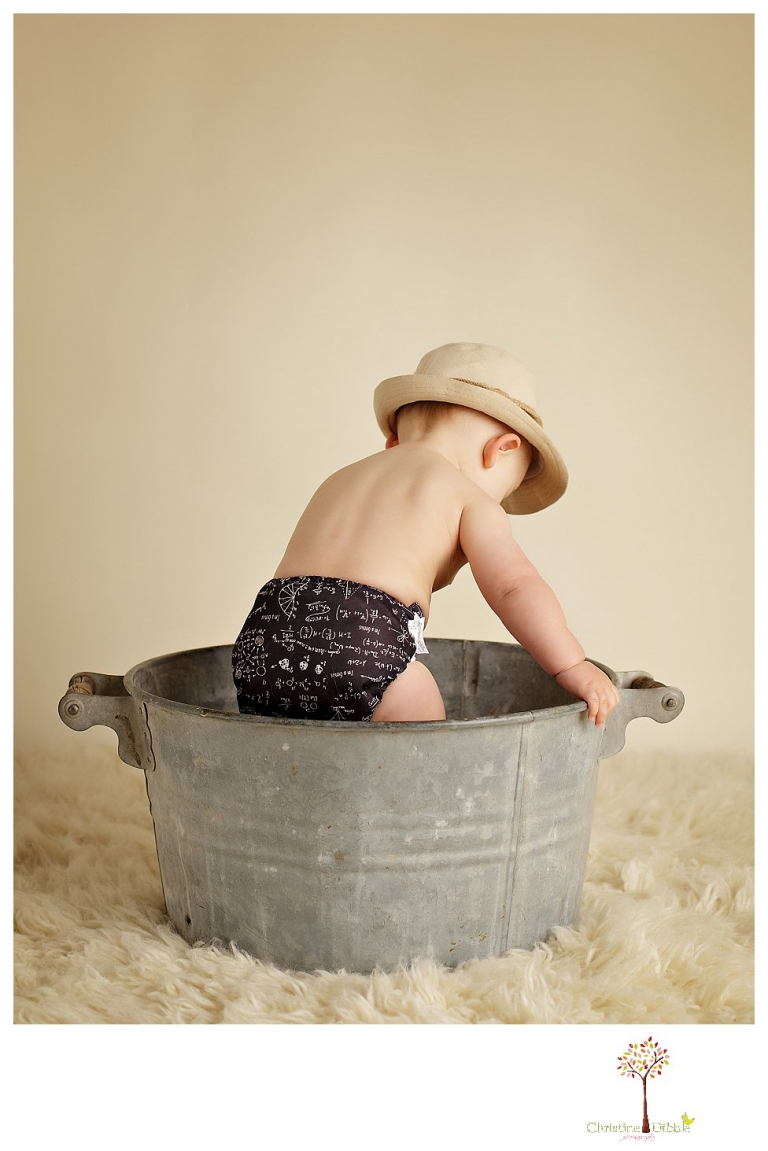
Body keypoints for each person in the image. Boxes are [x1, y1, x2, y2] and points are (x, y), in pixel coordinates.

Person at [232, 342, 620, 726]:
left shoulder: (338, 479)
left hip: (264, 644)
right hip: (361, 644)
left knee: (283, 746)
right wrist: (571, 664)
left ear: (394, 441)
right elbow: (514, 586)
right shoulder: (469, 497)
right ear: (499, 450)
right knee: (419, 725)